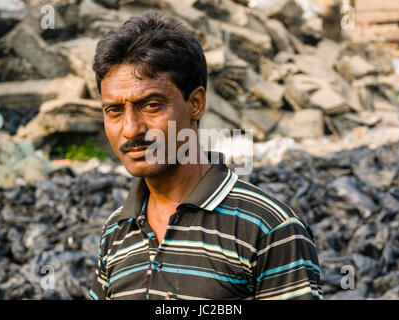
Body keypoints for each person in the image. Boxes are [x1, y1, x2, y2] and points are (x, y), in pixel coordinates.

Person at [89, 11, 322, 300]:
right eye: (114, 111)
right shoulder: (116, 232)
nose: (130, 129)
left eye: (150, 105)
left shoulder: (268, 229)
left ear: (196, 103)